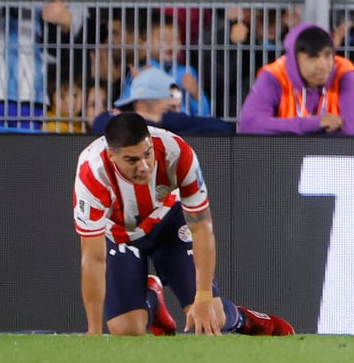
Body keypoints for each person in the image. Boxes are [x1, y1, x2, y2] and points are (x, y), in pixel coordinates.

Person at [73, 112, 293, 336]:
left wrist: (205, 297)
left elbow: (202, 227)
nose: (144, 167)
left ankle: (247, 320)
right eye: (132, 160)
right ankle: (152, 300)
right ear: (111, 156)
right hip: (119, 234)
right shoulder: (91, 172)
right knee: (126, 331)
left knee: (210, 320)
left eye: (147, 155)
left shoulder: (176, 153)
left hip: (169, 222)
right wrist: (93, 330)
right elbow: (93, 257)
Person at [238, 23, 354, 135]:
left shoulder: (343, 71)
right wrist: (314, 124)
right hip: (283, 155)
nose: (323, 65)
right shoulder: (274, 75)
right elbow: (250, 125)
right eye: (313, 57)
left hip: (331, 157)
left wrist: (288, 132)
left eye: (328, 55)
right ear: (294, 59)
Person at [90, 66, 231, 135]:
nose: (177, 113)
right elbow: (101, 125)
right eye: (170, 108)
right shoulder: (110, 119)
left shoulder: (173, 123)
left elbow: (222, 128)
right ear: (141, 104)